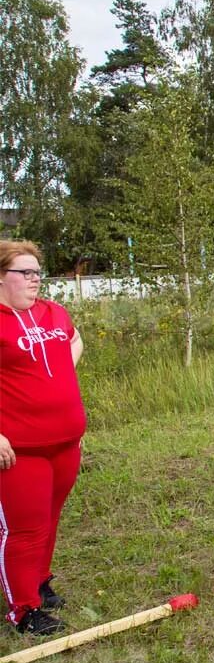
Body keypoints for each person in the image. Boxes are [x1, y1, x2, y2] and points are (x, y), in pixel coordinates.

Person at [0, 241, 86, 635]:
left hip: (65, 440)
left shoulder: (53, 312)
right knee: (23, 528)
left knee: (49, 517)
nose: (36, 280)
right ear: (3, 277)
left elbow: (74, 338)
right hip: (19, 449)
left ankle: (39, 581)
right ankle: (23, 609)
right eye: (26, 273)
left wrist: (57, 376)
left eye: (38, 272)